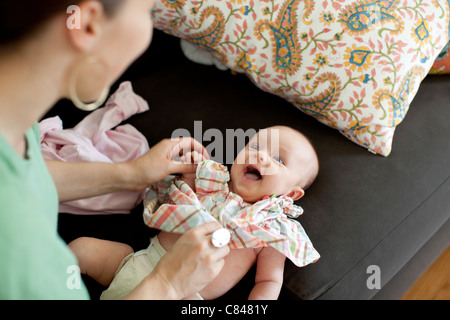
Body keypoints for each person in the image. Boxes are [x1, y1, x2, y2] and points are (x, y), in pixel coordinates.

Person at [0, 0, 229, 299]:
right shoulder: (20, 249)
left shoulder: (14, 119)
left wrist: (132, 174)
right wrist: (168, 285)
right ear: (87, 22)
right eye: (147, 12)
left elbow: (28, 174)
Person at [71, 126, 321, 300]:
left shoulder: (271, 229)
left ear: (291, 194)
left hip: (187, 295)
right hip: (139, 260)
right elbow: (179, 196)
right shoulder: (213, 180)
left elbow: (268, 282)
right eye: (255, 146)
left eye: (279, 159)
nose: (260, 155)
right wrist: (189, 172)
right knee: (80, 249)